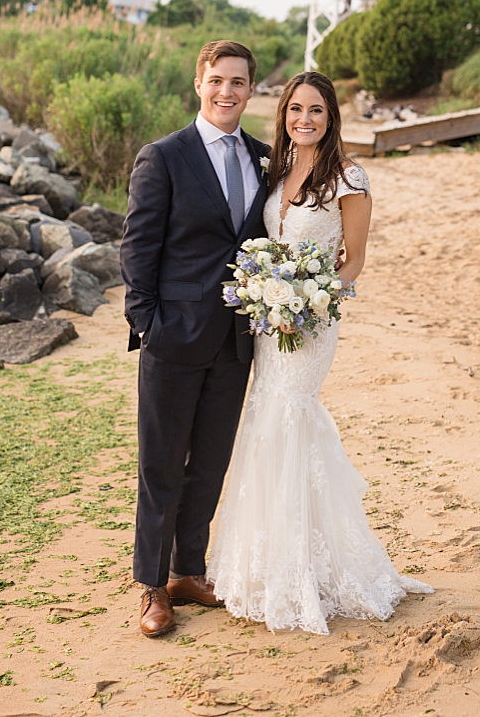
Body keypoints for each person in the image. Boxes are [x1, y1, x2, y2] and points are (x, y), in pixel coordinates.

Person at [205, 70, 432, 633]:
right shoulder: (275, 170)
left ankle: (306, 569)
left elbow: (355, 258)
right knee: (264, 420)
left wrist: (317, 295)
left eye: (316, 112)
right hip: (267, 319)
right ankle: (266, 564)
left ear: (331, 119)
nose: (304, 120)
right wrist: (265, 290)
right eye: (295, 110)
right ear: (283, 114)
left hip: (311, 321)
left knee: (291, 416)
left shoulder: (348, 177)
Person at [120, 40, 271, 638]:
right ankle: (153, 587)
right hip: (172, 336)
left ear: (251, 90)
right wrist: (146, 324)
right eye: (217, 80)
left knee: (209, 463)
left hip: (237, 339)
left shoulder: (266, 158)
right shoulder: (163, 157)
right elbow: (137, 246)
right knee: (161, 465)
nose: (226, 91)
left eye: (238, 81)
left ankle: (189, 570)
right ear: (198, 83)